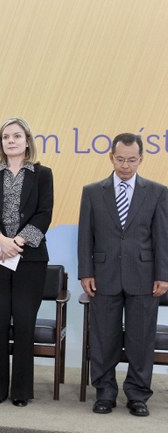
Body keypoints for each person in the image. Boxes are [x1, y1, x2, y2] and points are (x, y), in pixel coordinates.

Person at [78, 133, 168, 417]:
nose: (126, 165)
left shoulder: (157, 192)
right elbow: (85, 237)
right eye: (120, 159)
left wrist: (163, 275)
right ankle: (104, 392)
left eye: (131, 160)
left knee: (142, 339)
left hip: (144, 275)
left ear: (141, 159)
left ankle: (138, 395)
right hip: (103, 276)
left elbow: (161, 238)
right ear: (111, 157)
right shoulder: (92, 192)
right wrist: (86, 272)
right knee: (104, 337)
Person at [0, 118, 53, 407]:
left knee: (23, 323)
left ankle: (21, 391)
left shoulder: (43, 174)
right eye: (6, 136)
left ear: (27, 141)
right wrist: (1, 240)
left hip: (30, 258)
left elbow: (45, 212)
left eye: (17, 136)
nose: (11, 140)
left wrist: (18, 242)